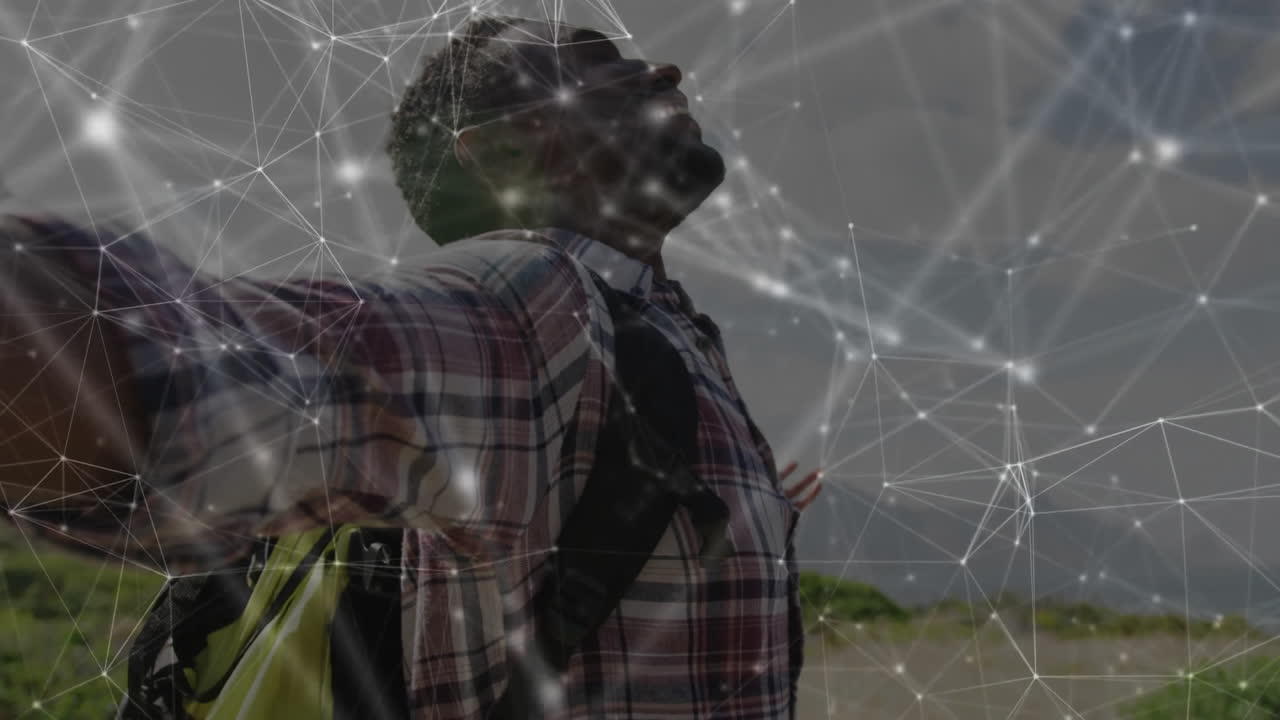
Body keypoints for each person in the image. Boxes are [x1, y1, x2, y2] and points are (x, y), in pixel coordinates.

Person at [0, 14, 821, 719]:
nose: (663, 70)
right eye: (596, 66)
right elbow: (159, 372)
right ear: (502, 153)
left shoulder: (651, 331)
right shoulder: (533, 306)